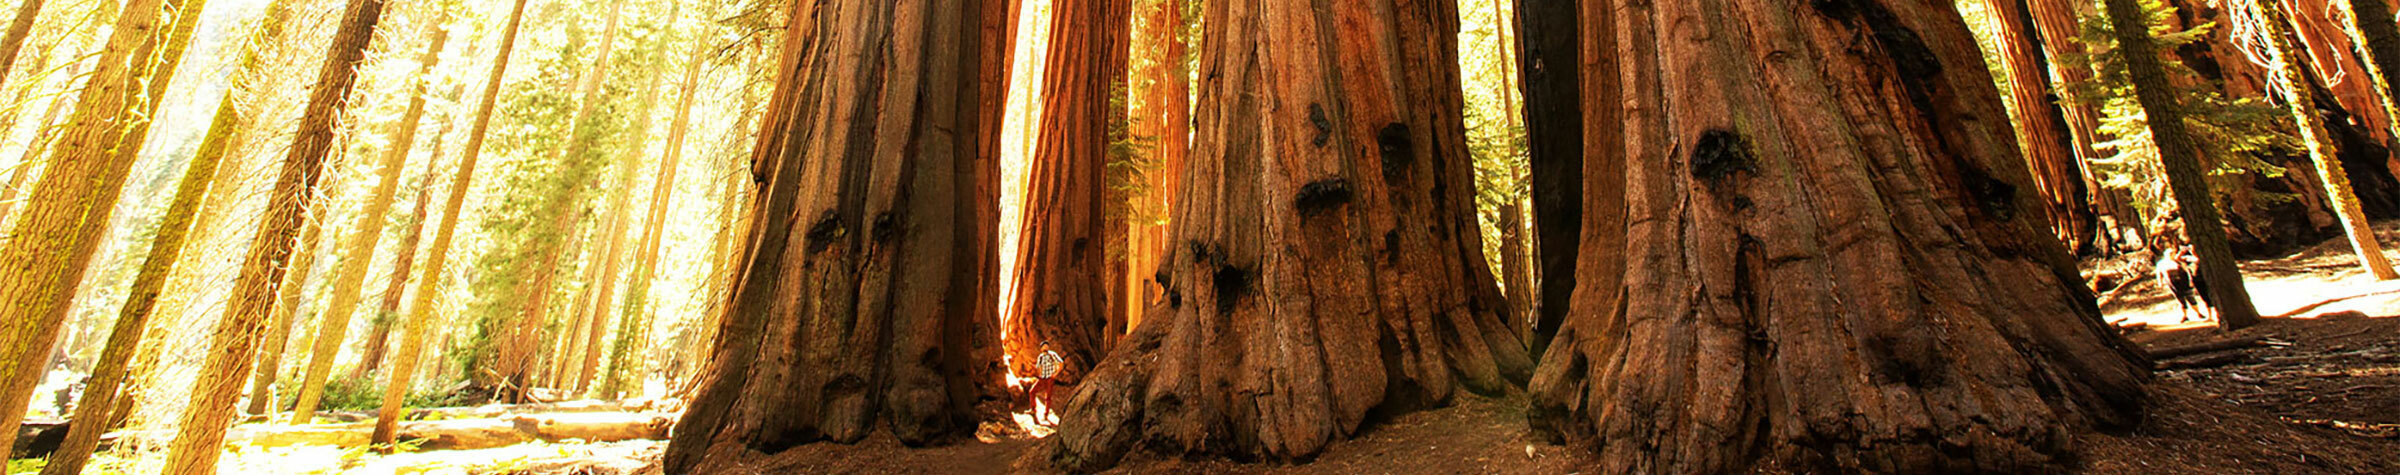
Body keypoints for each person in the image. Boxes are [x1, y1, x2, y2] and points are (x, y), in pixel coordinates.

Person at [1032, 340, 1064, 425]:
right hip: (1042, 378)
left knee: (1048, 396)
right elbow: (1038, 366)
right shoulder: (1041, 357)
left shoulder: (1052, 354)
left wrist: (1055, 374)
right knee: (1032, 392)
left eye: (1047, 346)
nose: (1045, 347)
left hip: (1050, 378)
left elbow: (1061, 362)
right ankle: (1033, 409)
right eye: (1044, 346)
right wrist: (1039, 374)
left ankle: (1046, 414)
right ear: (1041, 348)